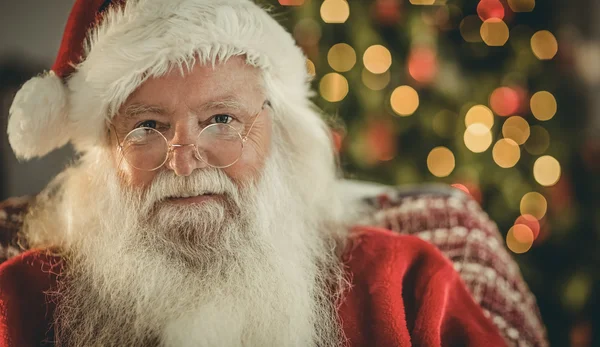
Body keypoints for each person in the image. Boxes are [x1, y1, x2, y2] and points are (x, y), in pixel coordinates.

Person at [0, 0, 510, 346]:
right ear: (106, 155)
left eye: (222, 120)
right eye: (147, 126)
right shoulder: (19, 301)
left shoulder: (406, 285)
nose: (182, 162)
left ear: (279, 133)